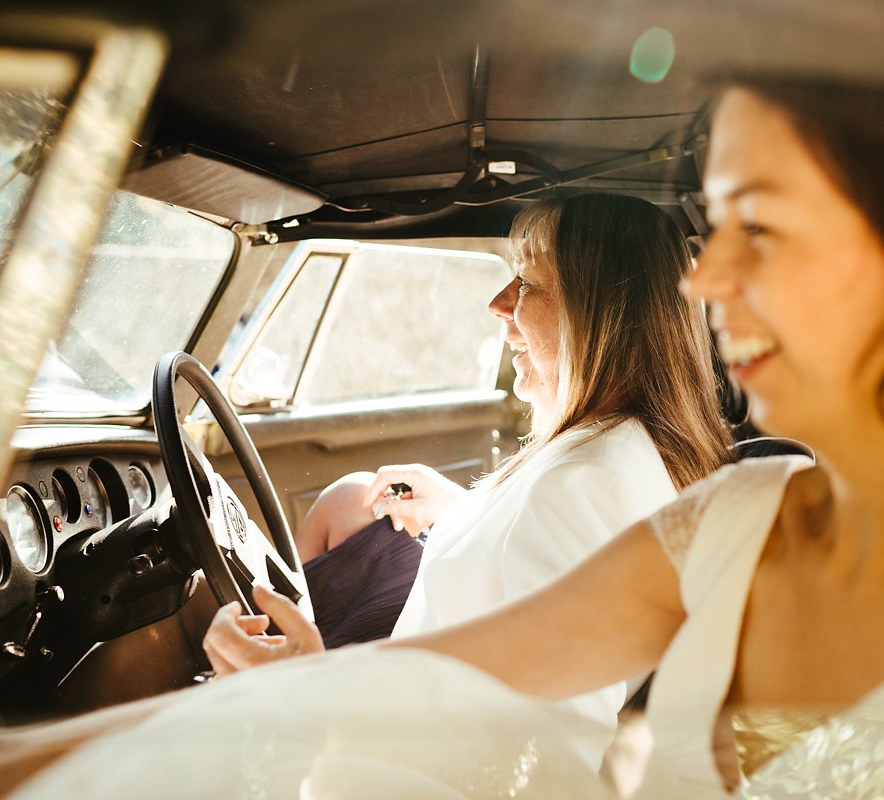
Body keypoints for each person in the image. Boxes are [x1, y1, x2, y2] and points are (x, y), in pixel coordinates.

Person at [0, 77, 884, 799]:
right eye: (712, 227)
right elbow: (433, 677)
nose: (708, 278)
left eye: (759, 228)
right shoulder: (734, 520)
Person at [285, 193, 732, 674]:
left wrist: (305, 677)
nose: (497, 304)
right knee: (351, 498)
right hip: (441, 655)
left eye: (527, 283)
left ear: (598, 317)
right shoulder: (613, 445)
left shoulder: (584, 484)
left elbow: (541, 734)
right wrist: (461, 512)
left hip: (419, 700)